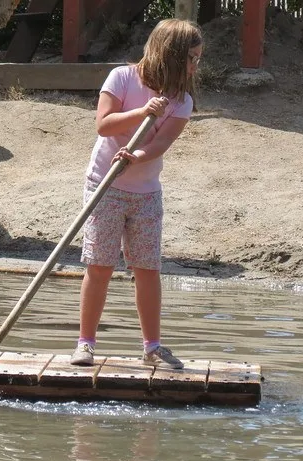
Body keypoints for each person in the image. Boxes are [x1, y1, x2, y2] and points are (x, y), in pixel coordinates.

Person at [69, 18, 203, 370]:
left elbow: (161, 142)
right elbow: (104, 124)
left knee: (147, 269)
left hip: (145, 193)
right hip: (105, 186)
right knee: (99, 266)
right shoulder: (121, 78)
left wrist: (135, 156)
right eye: (190, 58)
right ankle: (85, 344)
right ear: (169, 55)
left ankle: (152, 346)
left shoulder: (182, 101)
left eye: (197, 60)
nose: (194, 67)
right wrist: (143, 111)